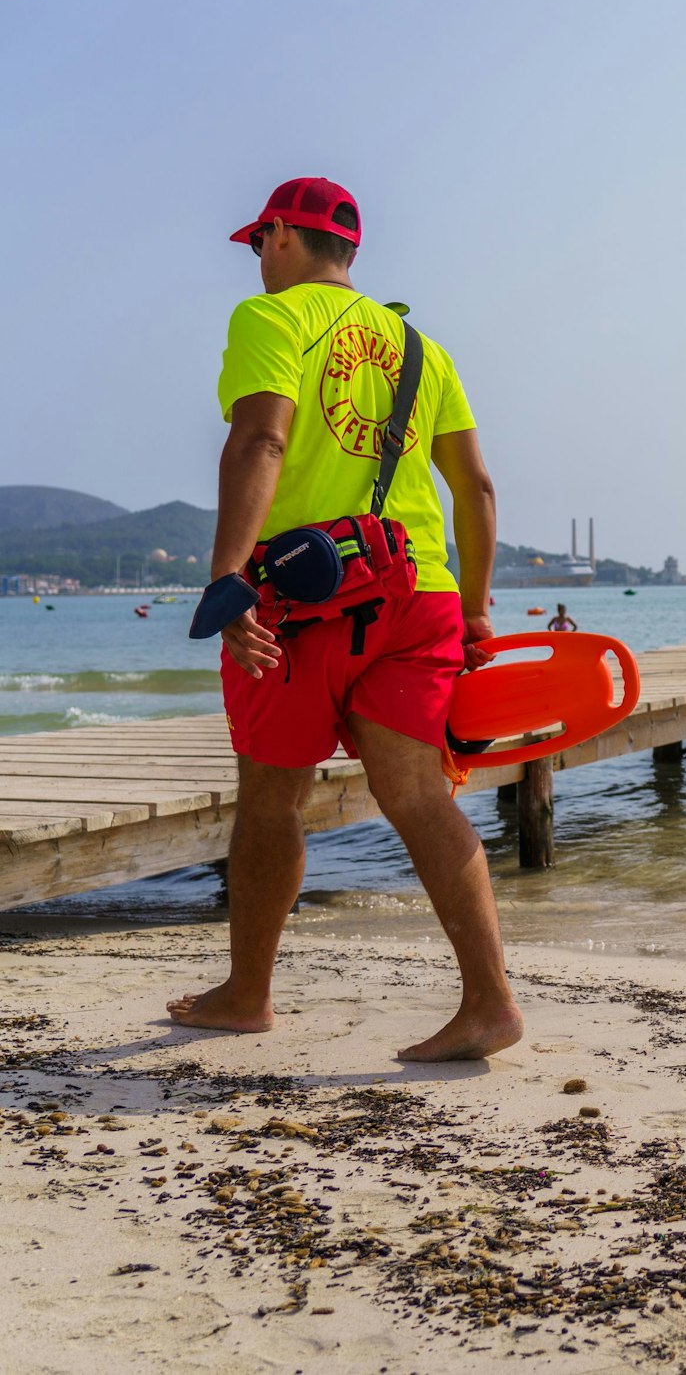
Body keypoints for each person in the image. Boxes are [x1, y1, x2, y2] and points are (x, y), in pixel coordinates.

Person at [170, 177, 521, 1063]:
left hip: (303, 604)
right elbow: (475, 487)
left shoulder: (274, 321)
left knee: (273, 797)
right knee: (417, 795)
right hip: (420, 596)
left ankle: (249, 994)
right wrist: (475, 609)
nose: (257, 260)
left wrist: (224, 578)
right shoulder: (420, 349)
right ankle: (489, 1003)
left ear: (284, 236)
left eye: (260, 242)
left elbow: (262, 439)